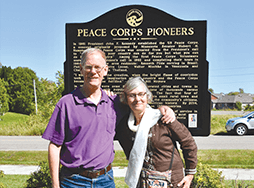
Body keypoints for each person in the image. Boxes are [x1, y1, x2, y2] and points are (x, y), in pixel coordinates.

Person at [42, 48, 175, 188]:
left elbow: (140, 105)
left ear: (105, 70)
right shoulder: (66, 104)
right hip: (73, 181)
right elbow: (55, 146)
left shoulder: (114, 103)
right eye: (88, 67)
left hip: (105, 180)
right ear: (81, 69)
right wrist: (55, 185)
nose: (93, 71)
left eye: (98, 67)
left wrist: (162, 109)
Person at [115, 77, 198, 188]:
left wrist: (190, 174)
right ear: (126, 98)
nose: (137, 99)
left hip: (172, 183)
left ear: (147, 96)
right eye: (132, 95)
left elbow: (188, 142)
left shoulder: (164, 118)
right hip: (143, 183)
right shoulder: (124, 127)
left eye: (141, 94)